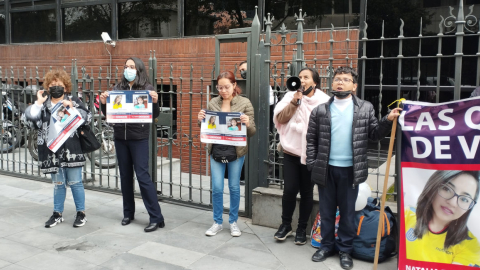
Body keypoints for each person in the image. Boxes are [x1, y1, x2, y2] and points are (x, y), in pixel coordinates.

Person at [306, 66, 402, 269]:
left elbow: (374, 134)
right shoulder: (320, 110)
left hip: (351, 170)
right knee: (327, 211)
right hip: (326, 169)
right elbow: (311, 140)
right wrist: (313, 164)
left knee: (348, 213)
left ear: (354, 86)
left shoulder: (365, 108)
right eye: (337, 79)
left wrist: (388, 119)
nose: (340, 82)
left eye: (346, 79)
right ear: (332, 83)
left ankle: (345, 250)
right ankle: (326, 246)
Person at [99, 57, 165, 233]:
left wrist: (156, 101)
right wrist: (104, 103)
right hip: (121, 137)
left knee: (143, 177)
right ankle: (128, 213)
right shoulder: (118, 88)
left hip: (139, 138)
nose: (128, 69)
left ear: (139, 70)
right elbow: (109, 114)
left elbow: (154, 114)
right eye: (126, 66)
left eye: (132, 67)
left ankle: (156, 217)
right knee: (125, 177)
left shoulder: (146, 89)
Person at [24, 69, 91, 228]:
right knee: (59, 184)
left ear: (66, 87)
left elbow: (87, 118)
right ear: (47, 86)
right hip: (52, 151)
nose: (56, 87)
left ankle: (81, 213)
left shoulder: (73, 100)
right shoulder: (44, 105)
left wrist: (72, 108)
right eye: (52, 85)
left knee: (75, 182)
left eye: (59, 84)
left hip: (72, 149)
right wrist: (38, 103)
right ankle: (57, 214)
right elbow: (29, 121)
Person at [272, 67, 330, 245]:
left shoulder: (325, 101)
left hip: (312, 153)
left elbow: (326, 127)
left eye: (306, 77)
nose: (302, 80)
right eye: (300, 77)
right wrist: (295, 103)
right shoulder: (291, 96)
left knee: (306, 192)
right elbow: (280, 119)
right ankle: (286, 225)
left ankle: (302, 228)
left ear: (315, 82)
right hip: (291, 151)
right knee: (289, 189)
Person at [197, 71, 256, 237]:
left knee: (234, 187)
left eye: (227, 87)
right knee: (216, 187)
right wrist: (200, 119)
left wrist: (247, 123)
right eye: (220, 87)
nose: (223, 90)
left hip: (236, 151)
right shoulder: (213, 103)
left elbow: (252, 131)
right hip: (216, 149)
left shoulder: (244, 103)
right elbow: (206, 127)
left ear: (234, 85)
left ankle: (233, 222)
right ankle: (217, 222)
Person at [405, 170, 480, 265]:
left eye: (464, 199)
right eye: (447, 189)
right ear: (433, 186)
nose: (452, 203)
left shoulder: (471, 245)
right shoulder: (407, 215)